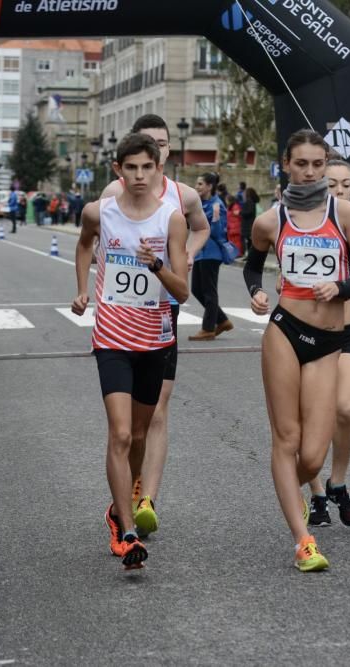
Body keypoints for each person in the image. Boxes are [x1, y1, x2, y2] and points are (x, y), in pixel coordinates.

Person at [242, 130, 350, 571]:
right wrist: (257, 293)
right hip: (285, 330)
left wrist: (338, 286)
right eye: (302, 164)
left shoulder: (345, 214)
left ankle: (288, 489)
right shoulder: (270, 220)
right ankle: (304, 541)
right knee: (287, 438)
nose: (311, 172)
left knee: (314, 454)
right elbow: (253, 267)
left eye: (318, 164)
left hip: (329, 342)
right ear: (287, 164)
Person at [72, 133, 190, 569]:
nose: (139, 176)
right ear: (118, 170)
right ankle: (123, 530)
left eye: (148, 167)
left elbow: (184, 292)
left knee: (140, 435)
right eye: (131, 168)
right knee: (120, 433)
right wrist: (82, 289)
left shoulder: (170, 220)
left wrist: (155, 264)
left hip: (155, 339)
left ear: (159, 169)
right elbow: (84, 244)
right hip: (112, 339)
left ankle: (125, 498)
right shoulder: (97, 212)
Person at [99, 113, 210, 539]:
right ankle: (128, 498)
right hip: (123, 318)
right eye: (148, 143)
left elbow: (200, 230)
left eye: (162, 144)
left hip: (164, 308)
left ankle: (146, 497)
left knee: (158, 409)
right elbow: (99, 230)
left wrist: (183, 256)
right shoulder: (116, 191)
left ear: (167, 152)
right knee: (128, 426)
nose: (156, 150)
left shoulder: (183, 196)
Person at [306, 158, 350, 529]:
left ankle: (337, 482)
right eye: (332, 184)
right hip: (303, 329)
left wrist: (340, 287)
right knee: (309, 418)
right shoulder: (298, 219)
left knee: (345, 409)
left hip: (343, 328)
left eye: (346, 185)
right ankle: (315, 494)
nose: (340, 191)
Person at [188, 172, 234, 341]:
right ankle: (222, 320)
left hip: (211, 253)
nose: (197, 187)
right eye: (197, 183)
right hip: (200, 252)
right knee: (196, 289)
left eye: (200, 184)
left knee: (209, 291)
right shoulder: (200, 204)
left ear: (209, 186)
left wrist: (215, 218)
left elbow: (217, 232)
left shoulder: (217, 205)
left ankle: (208, 328)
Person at [241, 187, 259, 255]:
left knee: (249, 241)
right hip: (248, 224)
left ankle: (250, 255)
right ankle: (249, 255)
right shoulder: (250, 202)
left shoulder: (249, 202)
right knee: (249, 241)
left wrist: (240, 212)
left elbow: (248, 212)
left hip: (248, 225)